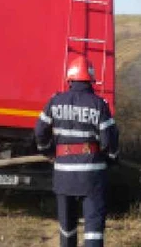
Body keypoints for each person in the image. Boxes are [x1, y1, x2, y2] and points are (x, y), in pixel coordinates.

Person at [35, 56, 119, 247]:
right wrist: (112, 159)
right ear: (91, 80)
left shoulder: (55, 101)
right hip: (92, 176)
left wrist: (47, 151)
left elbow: (40, 130)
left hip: (64, 175)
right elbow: (110, 140)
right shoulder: (99, 105)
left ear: (70, 80)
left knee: (67, 227)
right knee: (93, 230)